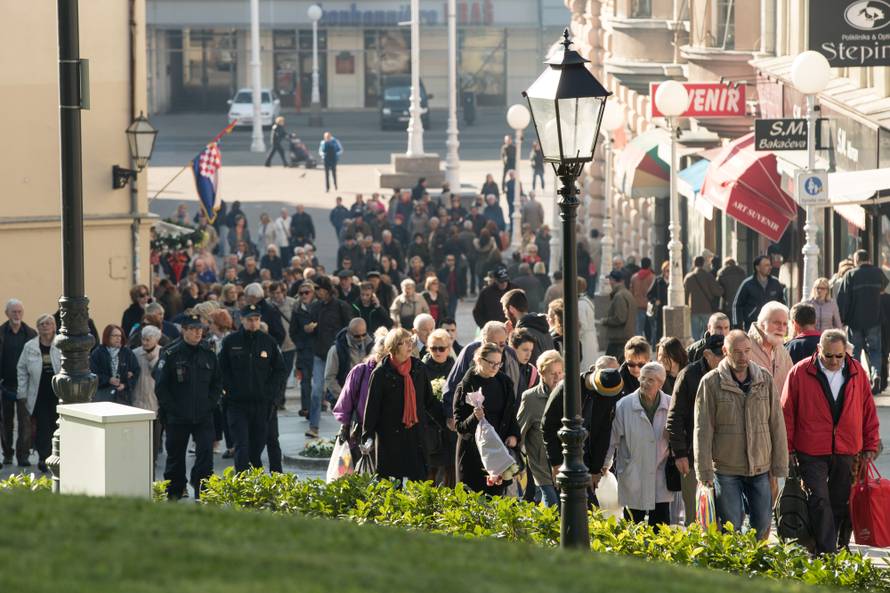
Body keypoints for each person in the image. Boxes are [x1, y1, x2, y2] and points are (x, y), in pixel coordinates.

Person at [781, 329, 881, 554]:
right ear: (819, 350)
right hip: (811, 448)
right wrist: (787, 449)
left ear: (845, 353)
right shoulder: (800, 372)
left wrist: (870, 445)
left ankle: (831, 544)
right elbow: (786, 412)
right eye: (829, 356)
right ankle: (827, 551)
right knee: (819, 499)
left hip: (847, 448)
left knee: (839, 501)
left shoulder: (856, 371)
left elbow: (868, 411)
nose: (834, 361)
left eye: (839, 356)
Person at [694, 330, 788, 540]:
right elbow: (702, 430)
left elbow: (776, 423)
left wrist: (779, 465)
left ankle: (754, 565)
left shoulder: (764, 378)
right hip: (726, 468)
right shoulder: (711, 383)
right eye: (737, 352)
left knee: (763, 523)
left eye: (747, 351)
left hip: (761, 466)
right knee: (731, 525)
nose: (743, 357)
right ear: (725, 351)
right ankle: (735, 568)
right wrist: (704, 472)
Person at [155, 314, 223, 500]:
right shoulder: (171, 353)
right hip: (177, 416)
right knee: (175, 457)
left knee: (205, 455)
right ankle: (176, 490)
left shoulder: (208, 353)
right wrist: (172, 409)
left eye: (199, 329)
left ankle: (202, 488)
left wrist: (210, 403)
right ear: (184, 330)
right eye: (193, 329)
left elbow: (217, 383)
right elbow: (161, 386)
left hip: (203, 415)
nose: (197, 333)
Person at [363, 328, 443, 481]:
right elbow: (372, 408)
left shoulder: (418, 368)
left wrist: (447, 418)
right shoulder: (381, 373)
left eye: (410, 342)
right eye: (404, 343)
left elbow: (429, 400)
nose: (409, 346)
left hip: (416, 435)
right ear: (393, 346)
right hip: (391, 438)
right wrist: (367, 436)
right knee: (391, 485)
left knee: (419, 482)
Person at [219, 305, 287, 472]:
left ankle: (256, 478)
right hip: (237, 404)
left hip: (261, 404)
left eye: (256, 319)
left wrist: (271, 393)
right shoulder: (230, 342)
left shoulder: (268, 342)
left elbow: (279, 370)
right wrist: (229, 389)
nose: (253, 323)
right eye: (250, 319)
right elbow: (221, 369)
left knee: (258, 445)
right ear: (241, 320)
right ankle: (243, 484)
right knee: (241, 445)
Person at [603, 362, 672, 526]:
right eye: (642, 378)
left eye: (650, 380)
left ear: (660, 383)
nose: (644, 383)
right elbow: (613, 439)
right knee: (633, 523)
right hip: (633, 470)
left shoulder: (670, 404)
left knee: (661, 524)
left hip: (660, 470)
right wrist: (605, 464)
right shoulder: (624, 405)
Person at [665, 334, 724, 526]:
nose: (724, 360)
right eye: (719, 356)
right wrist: (680, 453)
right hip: (693, 457)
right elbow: (674, 417)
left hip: (725, 458)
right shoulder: (688, 375)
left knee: (724, 516)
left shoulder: (733, 372)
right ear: (707, 354)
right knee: (696, 514)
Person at [453, 342, 520, 496]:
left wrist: (514, 435)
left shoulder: (504, 383)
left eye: (499, 363)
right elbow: (460, 427)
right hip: (473, 455)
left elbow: (510, 416)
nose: (495, 367)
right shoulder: (466, 385)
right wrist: (474, 417)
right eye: (491, 363)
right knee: (471, 502)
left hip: (497, 452)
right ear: (479, 360)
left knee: (496, 503)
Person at [306, 276, 355, 438]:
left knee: (343, 390)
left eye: (317, 289)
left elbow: (350, 328)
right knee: (316, 391)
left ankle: (347, 426)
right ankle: (314, 426)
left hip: (337, 355)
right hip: (320, 354)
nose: (315, 292)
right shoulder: (314, 307)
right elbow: (307, 326)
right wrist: (309, 330)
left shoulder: (341, 306)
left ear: (325, 290)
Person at [517, 350, 564, 507]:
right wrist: (517, 464)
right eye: (552, 373)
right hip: (543, 469)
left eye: (559, 372)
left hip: (566, 466)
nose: (557, 377)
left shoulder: (568, 396)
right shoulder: (530, 398)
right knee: (553, 511)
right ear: (542, 374)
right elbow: (519, 433)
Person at [837, 249, 887, 392]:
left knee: (855, 351)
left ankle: (857, 380)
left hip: (855, 321)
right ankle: (876, 374)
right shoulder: (878, 272)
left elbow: (843, 298)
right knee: (875, 350)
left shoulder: (850, 275)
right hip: (874, 319)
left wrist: (842, 319)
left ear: (856, 260)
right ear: (869, 259)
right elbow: (883, 288)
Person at [15, 314, 60, 473]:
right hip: (38, 393)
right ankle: (44, 458)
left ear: (54, 327)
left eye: (48, 323)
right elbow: (21, 369)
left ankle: (59, 456)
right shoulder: (30, 346)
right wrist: (22, 391)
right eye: (41, 324)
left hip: (57, 392)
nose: (45, 326)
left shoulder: (61, 343)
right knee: (42, 427)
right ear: (38, 327)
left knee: (57, 424)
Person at [441, 321, 507, 426]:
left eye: (502, 344)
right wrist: (451, 414)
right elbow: (453, 384)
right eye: (493, 344)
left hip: (500, 420)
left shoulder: (509, 354)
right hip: (471, 419)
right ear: (484, 340)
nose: (498, 348)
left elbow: (517, 387)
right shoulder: (470, 351)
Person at [0, 299, 36, 467]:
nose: (17, 315)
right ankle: (7, 454)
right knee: (5, 421)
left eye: (20, 312)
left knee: (25, 423)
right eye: (14, 312)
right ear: (7, 313)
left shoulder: (30, 334)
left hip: (25, 385)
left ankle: (23, 456)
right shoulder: (1, 333)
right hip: (4, 384)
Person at [420, 328, 455, 484]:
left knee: (451, 470)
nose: (438, 352)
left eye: (441, 348)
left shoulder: (455, 368)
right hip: (429, 425)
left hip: (449, 425)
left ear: (448, 348)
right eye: (433, 348)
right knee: (429, 472)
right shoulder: (421, 368)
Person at [323, 318, 373, 409]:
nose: (361, 338)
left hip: (367, 399)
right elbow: (329, 377)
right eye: (357, 336)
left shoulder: (373, 346)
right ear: (349, 333)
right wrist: (344, 397)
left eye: (364, 334)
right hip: (345, 399)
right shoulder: (336, 350)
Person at [131, 325, 163, 466]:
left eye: (148, 339)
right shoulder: (135, 353)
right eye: (143, 339)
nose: (145, 342)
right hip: (138, 396)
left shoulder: (163, 353)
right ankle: (139, 456)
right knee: (139, 431)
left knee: (155, 433)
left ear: (156, 339)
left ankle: (153, 458)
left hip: (155, 397)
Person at [748, 301, 793, 397]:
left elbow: (792, 386)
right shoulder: (745, 348)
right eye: (777, 323)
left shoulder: (783, 352)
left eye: (785, 324)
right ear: (762, 324)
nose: (781, 328)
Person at [90, 324, 139, 405]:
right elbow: (93, 373)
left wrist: (125, 385)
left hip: (123, 397)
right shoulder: (98, 352)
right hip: (103, 395)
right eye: (115, 336)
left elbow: (136, 371)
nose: (118, 338)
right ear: (107, 336)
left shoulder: (127, 352)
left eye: (120, 336)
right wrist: (108, 380)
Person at [501, 288, 554, 362]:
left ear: (511, 309)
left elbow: (519, 362)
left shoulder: (525, 332)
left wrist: (510, 338)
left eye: (505, 311)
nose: (505, 315)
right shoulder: (541, 325)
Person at [732, 255, 785, 329]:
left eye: (770, 265)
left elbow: (782, 303)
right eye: (766, 265)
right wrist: (738, 325)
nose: (770, 267)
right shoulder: (747, 284)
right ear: (757, 267)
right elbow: (737, 305)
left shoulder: (775, 283)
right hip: (752, 325)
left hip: (772, 324)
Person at [685, 256, 724, 340]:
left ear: (694, 264)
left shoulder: (689, 277)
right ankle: (705, 350)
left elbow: (685, 295)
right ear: (703, 264)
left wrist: (687, 307)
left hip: (694, 309)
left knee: (695, 335)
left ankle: (697, 350)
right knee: (707, 333)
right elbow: (718, 292)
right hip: (707, 309)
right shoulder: (708, 276)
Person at [602, 271, 636, 361]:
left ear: (613, 280)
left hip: (619, 339)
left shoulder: (619, 296)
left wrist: (605, 321)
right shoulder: (627, 293)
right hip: (624, 337)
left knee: (608, 366)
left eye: (610, 279)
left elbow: (620, 318)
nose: (609, 282)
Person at [630, 258, 656, 338]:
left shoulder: (634, 277)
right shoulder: (653, 277)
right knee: (653, 327)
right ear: (649, 265)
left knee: (639, 329)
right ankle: (654, 346)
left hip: (638, 305)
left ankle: (638, 346)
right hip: (650, 305)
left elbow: (631, 292)